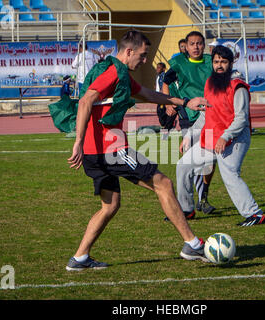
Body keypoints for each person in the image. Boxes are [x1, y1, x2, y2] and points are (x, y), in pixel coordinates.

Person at [65, 30, 211, 270]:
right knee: (163, 183)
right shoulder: (113, 72)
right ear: (129, 51)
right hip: (108, 148)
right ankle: (192, 244)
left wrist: (184, 102)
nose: (145, 61)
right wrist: (78, 141)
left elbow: (148, 94)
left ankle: (79, 258)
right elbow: (85, 101)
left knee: (110, 206)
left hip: (96, 152)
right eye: (143, 56)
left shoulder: (119, 73)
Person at [176, 45, 265, 227]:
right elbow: (205, 114)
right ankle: (187, 210)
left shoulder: (237, 86)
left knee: (229, 173)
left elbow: (241, 119)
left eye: (223, 62)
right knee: (183, 165)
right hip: (212, 137)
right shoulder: (210, 83)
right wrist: (190, 136)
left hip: (235, 139)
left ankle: (254, 214)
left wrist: (225, 137)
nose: (219, 65)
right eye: (216, 62)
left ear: (231, 63)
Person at [162, 30, 216, 217]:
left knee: (207, 160)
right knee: (189, 160)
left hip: (210, 116)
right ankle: (190, 205)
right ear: (186, 46)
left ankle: (203, 197)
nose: (196, 47)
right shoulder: (179, 63)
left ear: (204, 45)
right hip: (188, 115)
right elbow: (166, 80)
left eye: (199, 43)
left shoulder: (211, 62)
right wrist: (169, 102)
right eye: (192, 43)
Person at [155, 62, 177, 140]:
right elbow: (158, 87)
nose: (157, 69)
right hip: (160, 97)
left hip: (168, 97)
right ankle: (166, 126)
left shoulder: (167, 75)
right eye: (157, 67)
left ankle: (166, 130)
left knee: (170, 113)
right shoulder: (158, 77)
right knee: (160, 113)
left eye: (159, 67)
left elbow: (168, 86)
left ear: (164, 69)